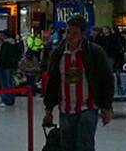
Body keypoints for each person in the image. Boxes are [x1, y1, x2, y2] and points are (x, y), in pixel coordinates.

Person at [43, 16, 114, 151]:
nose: (69, 36)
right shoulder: (58, 54)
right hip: (66, 108)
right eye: (68, 32)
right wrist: (49, 110)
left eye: (74, 33)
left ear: (82, 34)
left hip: (88, 106)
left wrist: (107, 107)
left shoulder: (95, 52)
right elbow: (52, 82)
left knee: (84, 145)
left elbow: (107, 80)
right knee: (66, 145)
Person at [0, 30, 22, 106]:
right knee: (11, 82)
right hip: (12, 66)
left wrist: (0, 63)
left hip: (5, 66)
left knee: (4, 83)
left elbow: (3, 56)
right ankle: (11, 99)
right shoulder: (15, 44)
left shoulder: (5, 44)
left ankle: (6, 99)